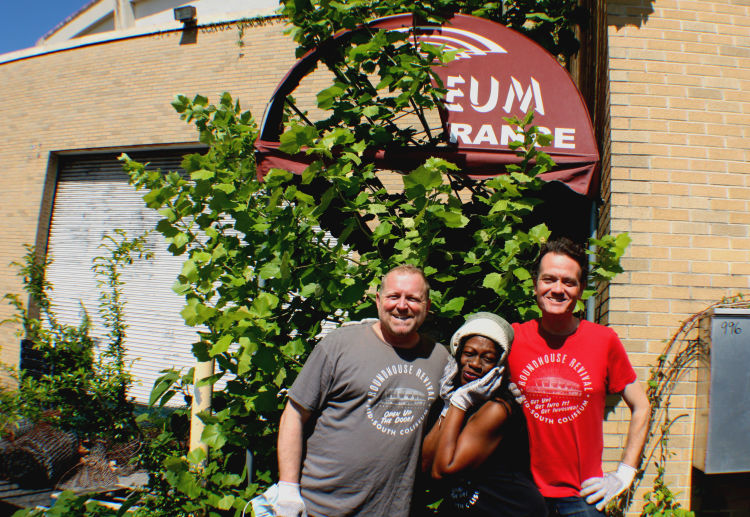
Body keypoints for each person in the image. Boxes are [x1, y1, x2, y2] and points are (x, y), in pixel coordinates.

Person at [272, 264, 450, 517]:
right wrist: (288, 489)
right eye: (393, 296)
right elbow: (294, 414)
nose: (402, 305)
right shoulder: (339, 346)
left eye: (413, 298)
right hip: (320, 508)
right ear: (378, 301)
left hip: (393, 510)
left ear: (427, 307)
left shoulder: (439, 358)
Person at [507, 237, 650, 516]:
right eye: (549, 279)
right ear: (535, 284)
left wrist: (624, 473)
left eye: (568, 282)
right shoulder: (512, 338)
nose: (557, 289)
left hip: (583, 496)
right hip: (522, 493)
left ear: (581, 289)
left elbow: (642, 406)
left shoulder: (603, 340)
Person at [422, 312, 548, 517]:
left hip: (510, 509)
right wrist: (447, 406)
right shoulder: (454, 401)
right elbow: (426, 467)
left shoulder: (496, 409)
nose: (475, 364)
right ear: (457, 355)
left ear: (498, 365)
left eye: (487, 359)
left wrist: (458, 403)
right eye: (469, 353)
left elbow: (443, 470)